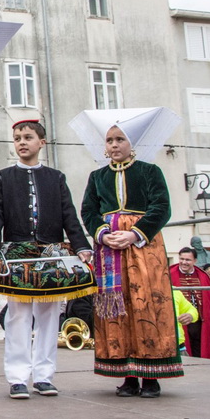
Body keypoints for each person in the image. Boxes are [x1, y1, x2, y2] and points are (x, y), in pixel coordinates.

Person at [74, 107, 183, 398]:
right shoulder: (97, 176)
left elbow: (162, 207)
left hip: (144, 249)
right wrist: (104, 234)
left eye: (119, 139)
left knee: (146, 304)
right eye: (109, 140)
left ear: (131, 143)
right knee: (116, 308)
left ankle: (152, 376)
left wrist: (135, 232)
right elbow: (88, 210)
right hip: (110, 250)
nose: (114, 145)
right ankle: (127, 375)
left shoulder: (150, 171)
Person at [0, 120, 94, 399]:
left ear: (41, 142)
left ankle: (44, 376)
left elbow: (69, 214)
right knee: (18, 316)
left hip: (52, 253)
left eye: (28, 137)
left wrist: (81, 245)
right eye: (17, 137)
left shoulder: (55, 177)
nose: (21, 142)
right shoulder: (2, 177)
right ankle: (18, 377)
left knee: (49, 316)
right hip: (18, 254)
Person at [169, 247, 210, 359]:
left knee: (204, 353)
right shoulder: (168, 274)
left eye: (188, 260)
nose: (184, 262)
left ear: (195, 260)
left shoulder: (205, 277)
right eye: (181, 259)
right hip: (180, 324)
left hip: (201, 324)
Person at [172, 289, 199, 355]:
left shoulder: (174, 291)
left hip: (178, 348)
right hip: (146, 349)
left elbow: (191, 309)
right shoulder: (142, 291)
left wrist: (190, 315)